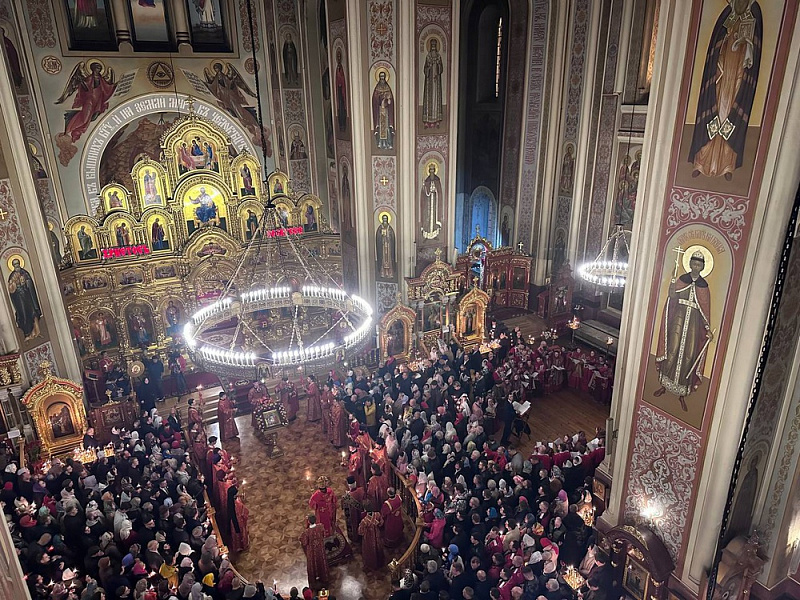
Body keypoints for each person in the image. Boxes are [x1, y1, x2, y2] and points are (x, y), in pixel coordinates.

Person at [300, 514, 329, 589]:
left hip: (312, 551)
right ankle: (324, 577)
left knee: (312, 564)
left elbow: (304, 542)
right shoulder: (320, 526)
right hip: (320, 549)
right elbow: (324, 535)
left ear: (308, 522)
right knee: (321, 561)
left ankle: (314, 579)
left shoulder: (306, 532)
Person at [341, 476, 367, 543]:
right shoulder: (361, 490)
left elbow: (343, 507)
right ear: (355, 483)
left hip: (353, 516)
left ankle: (355, 538)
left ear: (348, 485)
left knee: (354, 525)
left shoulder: (347, 497)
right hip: (362, 514)